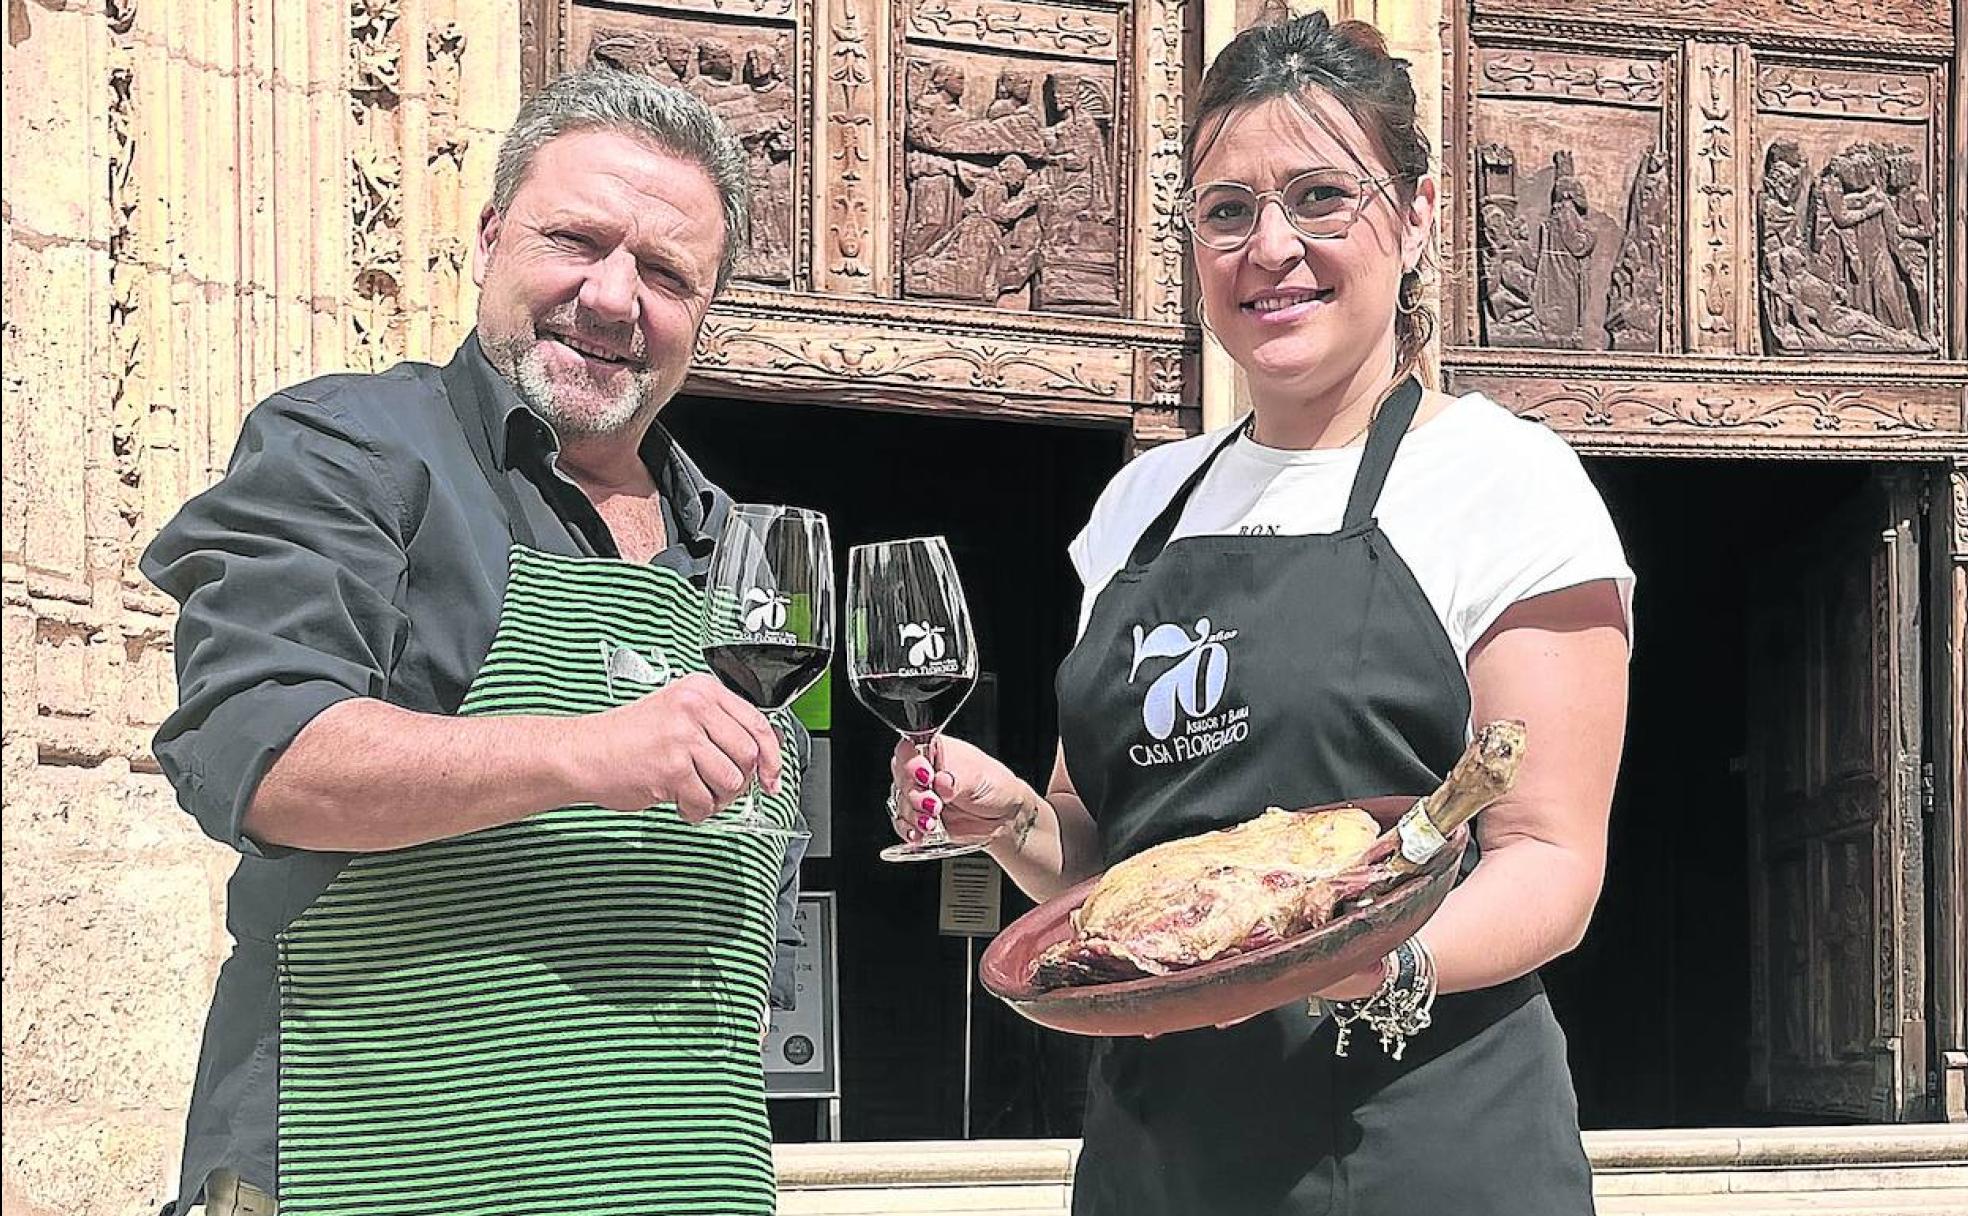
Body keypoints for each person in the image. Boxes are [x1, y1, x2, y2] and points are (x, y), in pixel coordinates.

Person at [889, 14, 1632, 1215]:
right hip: (1157, 1155)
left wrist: (1367, 959)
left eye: (1320, 198)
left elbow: (1549, 859)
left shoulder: (1506, 479)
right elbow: (1100, 852)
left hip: (1418, 1142)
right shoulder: (1139, 505)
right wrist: (1002, 814)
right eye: (1227, 210)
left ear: (1419, 213)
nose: (1270, 247)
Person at [144, 67, 808, 1215]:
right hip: (379, 1175)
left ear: (706, 312)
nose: (612, 296)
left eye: (665, 272)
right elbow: (261, 755)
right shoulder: (351, 450)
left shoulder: (742, 551)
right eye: (576, 240)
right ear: (493, 234)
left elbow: (768, 853)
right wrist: (580, 754)